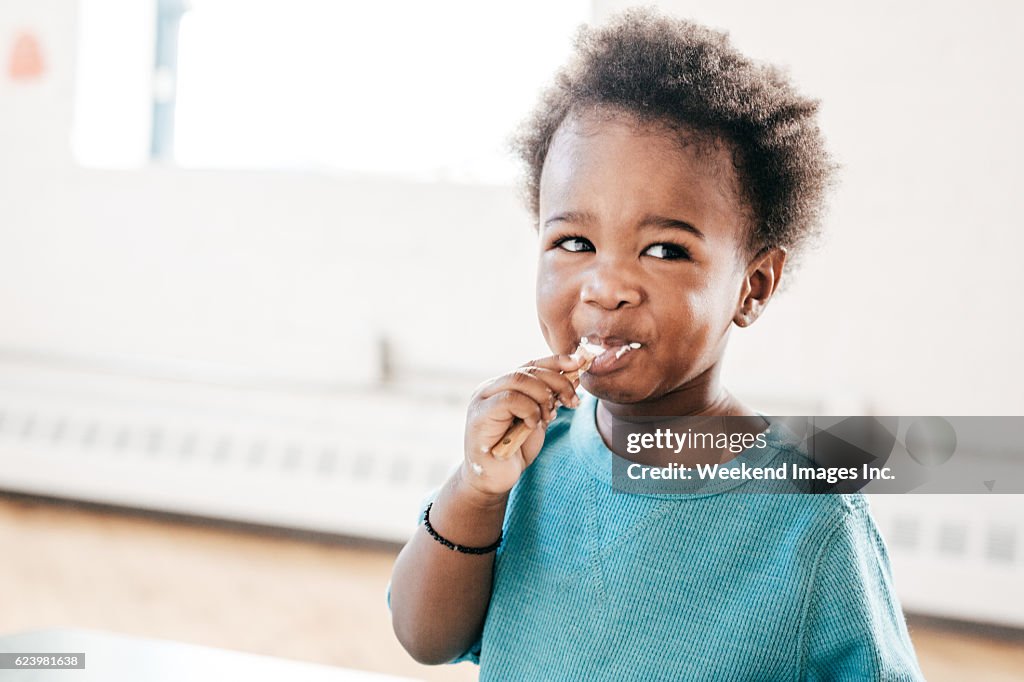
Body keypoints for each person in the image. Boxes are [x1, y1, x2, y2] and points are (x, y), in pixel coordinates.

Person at [388, 8, 925, 680]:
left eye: (665, 249)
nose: (606, 286)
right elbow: (425, 638)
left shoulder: (808, 518)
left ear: (752, 286)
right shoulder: (527, 460)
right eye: (573, 243)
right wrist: (475, 492)